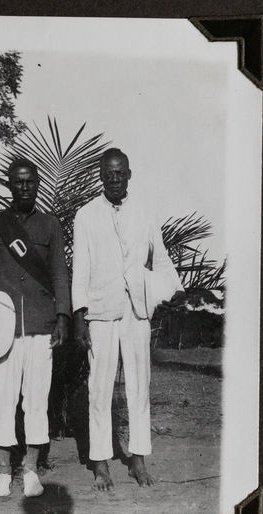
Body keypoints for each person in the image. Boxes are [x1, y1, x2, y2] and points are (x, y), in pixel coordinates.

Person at [72, 148, 185, 491]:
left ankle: (138, 460)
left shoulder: (145, 211)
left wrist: (172, 293)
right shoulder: (86, 215)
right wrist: (80, 317)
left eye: (120, 173)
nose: (114, 179)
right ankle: (101, 463)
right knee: (99, 388)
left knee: (140, 386)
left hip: (137, 311)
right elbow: (80, 269)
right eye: (108, 173)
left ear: (129, 175)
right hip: (101, 311)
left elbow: (161, 258)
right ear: (101, 176)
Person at [0, 158, 70, 497]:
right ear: (9, 185)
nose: (25, 187)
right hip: (3, 328)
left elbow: (58, 275)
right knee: (4, 399)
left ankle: (31, 471)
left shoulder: (50, 225)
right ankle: (3, 471)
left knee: (36, 400)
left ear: (37, 184)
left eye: (30, 181)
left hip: (41, 324)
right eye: (18, 182)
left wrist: (63, 317)